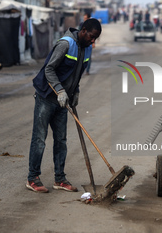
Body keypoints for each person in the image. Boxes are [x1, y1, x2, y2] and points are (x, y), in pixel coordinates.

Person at [27, 19, 102, 193]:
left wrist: (75, 92)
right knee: (39, 139)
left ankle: (59, 179)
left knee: (61, 140)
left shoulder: (87, 48)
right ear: (83, 31)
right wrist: (60, 90)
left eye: (96, 38)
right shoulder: (65, 44)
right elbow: (49, 69)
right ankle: (33, 178)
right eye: (92, 37)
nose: (93, 41)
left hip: (64, 100)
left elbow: (77, 74)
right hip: (47, 97)